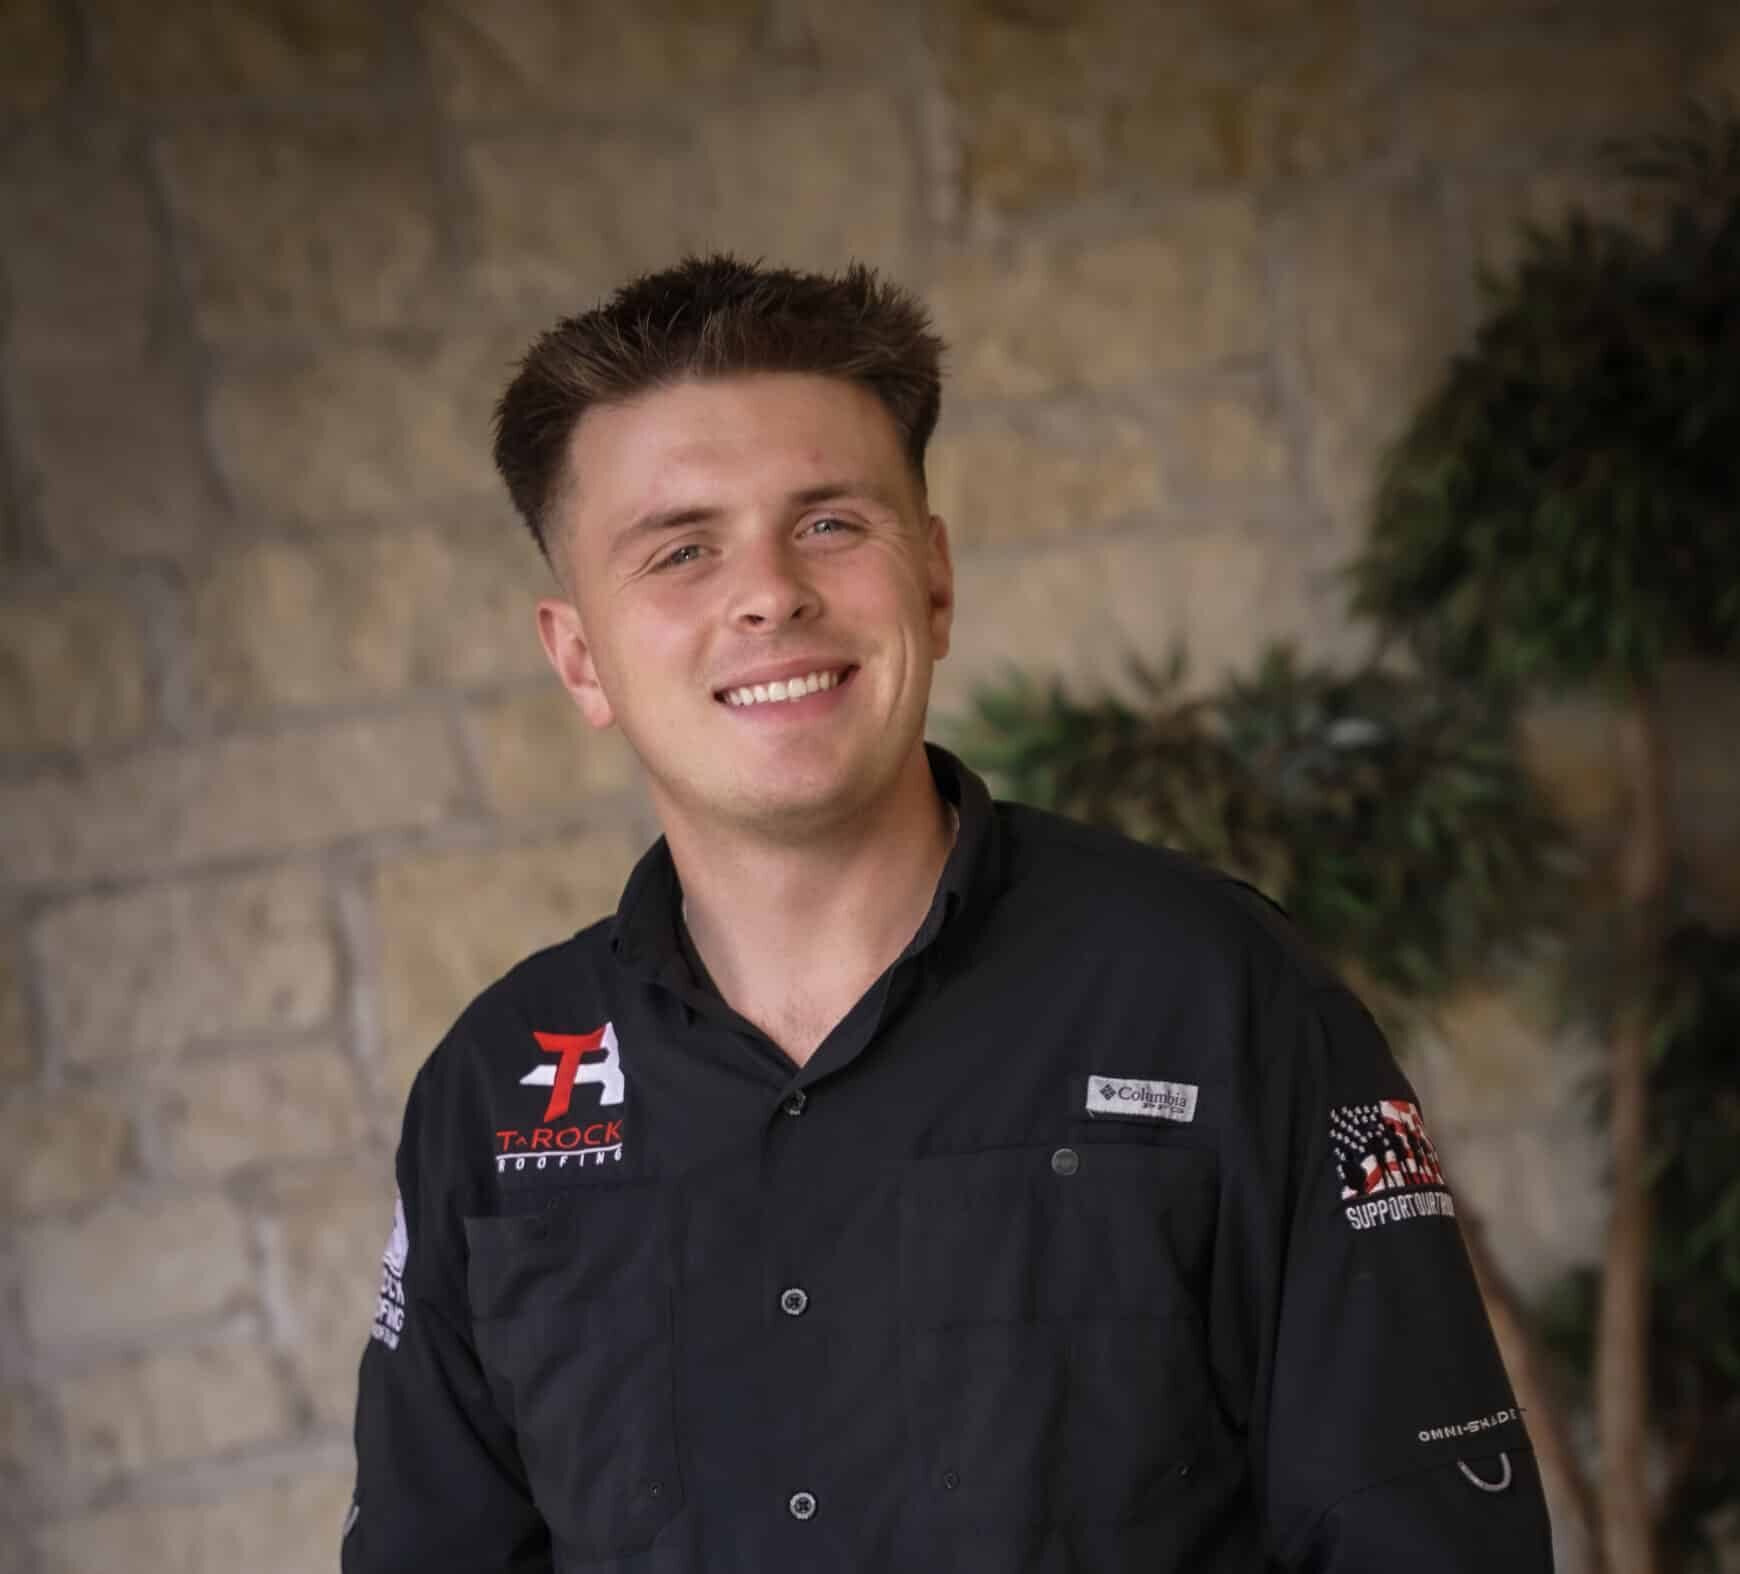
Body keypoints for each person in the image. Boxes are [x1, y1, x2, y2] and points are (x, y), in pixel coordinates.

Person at [343, 255, 1554, 1572]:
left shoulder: (1215, 995)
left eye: (829, 524)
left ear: (934, 581)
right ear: (580, 655)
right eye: (683, 548)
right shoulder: (494, 1094)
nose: (769, 593)